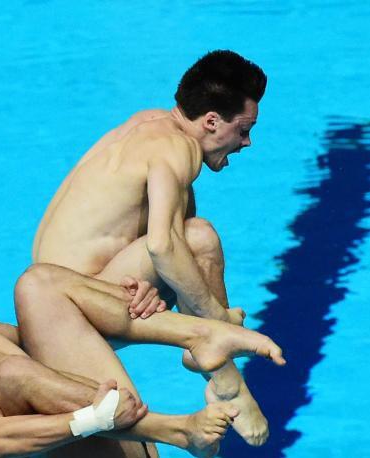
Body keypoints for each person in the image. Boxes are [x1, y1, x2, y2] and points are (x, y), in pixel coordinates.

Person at [0, 228, 286, 457]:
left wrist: (135, 297)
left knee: (39, 284)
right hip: (120, 435)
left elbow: (69, 340)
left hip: (122, 447)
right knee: (13, 372)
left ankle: (198, 334)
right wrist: (96, 418)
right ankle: (177, 427)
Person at [32, 50, 273, 445]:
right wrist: (215, 319)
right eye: (243, 129)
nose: (247, 142)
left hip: (57, 297)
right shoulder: (178, 149)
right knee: (199, 237)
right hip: (73, 313)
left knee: (188, 231)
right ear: (211, 121)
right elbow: (164, 245)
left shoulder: (149, 123)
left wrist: (144, 279)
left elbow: (143, 234)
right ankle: (223, 369)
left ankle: (213, 347)